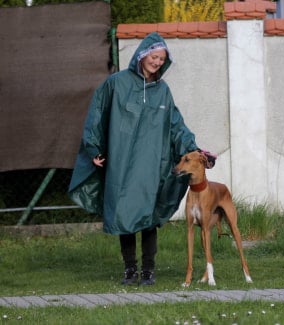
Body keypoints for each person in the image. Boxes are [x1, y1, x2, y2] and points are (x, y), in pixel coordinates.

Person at [68, 32, 199, 285]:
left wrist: (193, 149)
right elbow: (97, 114)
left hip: (152, 167)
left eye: (162, 59)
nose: (157, 62)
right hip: (122, 165)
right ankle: (130, 269)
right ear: (142, 55)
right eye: (154, 56)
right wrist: (94, 148)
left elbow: (176, 126)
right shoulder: (116, 83)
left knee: (148, 217)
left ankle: (148, 270)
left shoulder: (163, 92)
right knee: (124, 215)